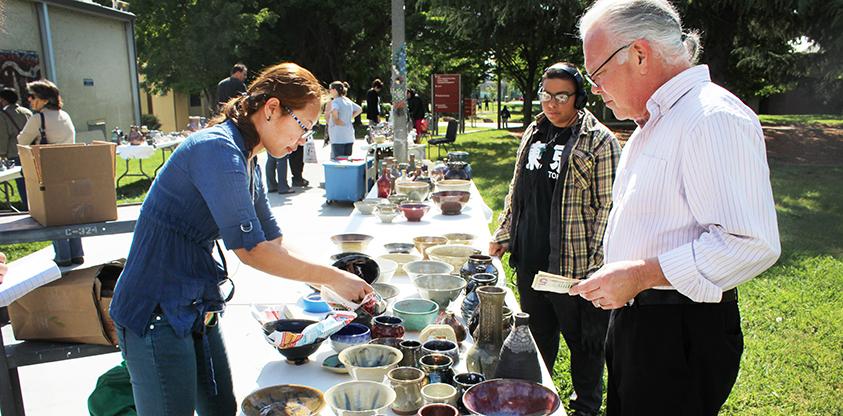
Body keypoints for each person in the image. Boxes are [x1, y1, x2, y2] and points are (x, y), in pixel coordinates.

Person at [109, 62, 373, 416]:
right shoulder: (217, 150)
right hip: (155, 308)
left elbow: (273, 241)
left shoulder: (248, 158)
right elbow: (252, 251)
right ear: (272, 108)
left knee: (220, 408)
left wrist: (328, 282)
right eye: (303, 127)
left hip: (195, 303)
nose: (302, 141)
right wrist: (336, 278)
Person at [569, 1, 781, 415]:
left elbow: (751, 244)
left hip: (676, 332)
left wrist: (642, 274)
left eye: (596, 74)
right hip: (643, 323)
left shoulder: (711, 118)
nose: (594, 89)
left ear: (640, 54)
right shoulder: (660, 120)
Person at [491, 63, 620, 416]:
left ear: (578, 97)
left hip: (573, 269)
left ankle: (586, 407)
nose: (551, 103)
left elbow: (607, 209)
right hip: (531, 263)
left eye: (561, 96)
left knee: (585, 347)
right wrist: (505, 233)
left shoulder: (599, 141)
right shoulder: (535, 129)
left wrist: (595, 270)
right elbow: (518, 189)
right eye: (546, 95)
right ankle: (538, 401)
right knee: (538, 341)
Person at [17, 80, 83, 267]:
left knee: (55, 214)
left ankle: (63, 256)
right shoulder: (65, 116)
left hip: (49, 171)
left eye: (32, 97)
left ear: (44, 100)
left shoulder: (39, 119)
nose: (29, 100)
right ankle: (77, 252)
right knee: (71, 212)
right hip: (70, 169)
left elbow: (22, 140)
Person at [0, 87, 32, 207]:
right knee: (32, 181)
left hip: (14, 152)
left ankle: (26, 206)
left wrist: (2, 154)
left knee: (21, 182)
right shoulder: (27, 112)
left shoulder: (2, 115)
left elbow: (3, 136)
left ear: (3, 100)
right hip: (30, 151)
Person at [326, 81, 362, 160]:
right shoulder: (347, 100)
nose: (329, 91)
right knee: (347, 160)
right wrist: (350, 117)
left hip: (338, 137)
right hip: (349, 136)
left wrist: (336, 120)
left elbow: (335, 111)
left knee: (338, 161)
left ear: (335, 90)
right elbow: (359, 109)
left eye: (330, 89)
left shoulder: (335, 101)